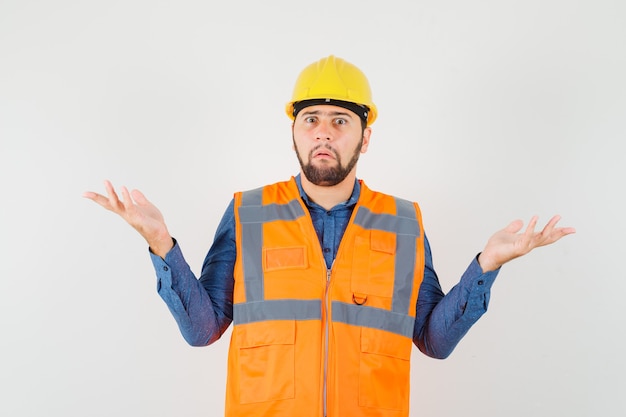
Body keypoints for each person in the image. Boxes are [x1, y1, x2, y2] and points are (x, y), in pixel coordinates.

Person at [84, 55, 575, 417]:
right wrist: (161, 245)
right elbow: (201, 330)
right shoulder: (245, 213)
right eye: (310, 120)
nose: (324, 132)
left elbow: (434, 339)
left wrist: (487, 266)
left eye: (340, 121)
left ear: (365, 136)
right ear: (294, 132)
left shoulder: (404, 221)